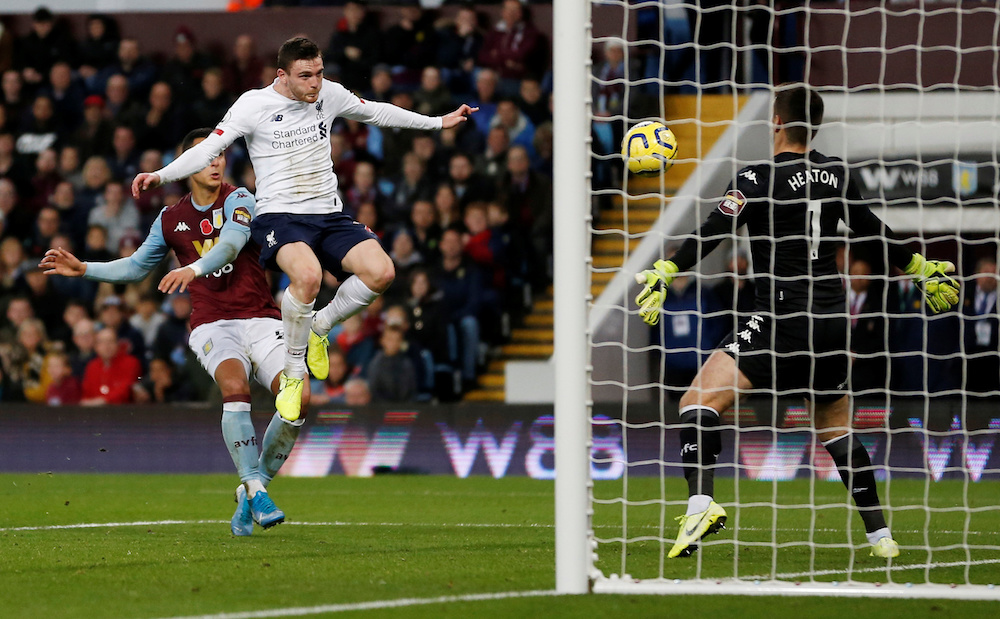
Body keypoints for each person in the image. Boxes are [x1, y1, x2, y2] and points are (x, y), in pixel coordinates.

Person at [633, 86, 960, 560]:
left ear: (778, 123)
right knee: (835, 427)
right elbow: (870, 229)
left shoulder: (755, 177)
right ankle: (880, 537)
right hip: (830, 320)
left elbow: (714, 229)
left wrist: (668, 267)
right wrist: (919, 267)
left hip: (781, 317)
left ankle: (701, 503)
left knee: (696, 402)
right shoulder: (836, 175)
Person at [131, 37, 476, 423]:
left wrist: (437, 121)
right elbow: (206, 149)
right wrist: (161, 175)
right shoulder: (253, 105)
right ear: (282, 75)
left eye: (320, 73)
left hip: (328, 215)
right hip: (279, 216)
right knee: (308, 276)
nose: (315, 83)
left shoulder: (328, 93)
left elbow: (376, 112)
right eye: (306, 76)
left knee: (383, 272)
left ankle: (320, 327)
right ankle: (294, 375)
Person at [43, 128, 304, 536]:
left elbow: (233, 244)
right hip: (212, 322)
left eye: (220, 155)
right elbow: (135, 267)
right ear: (186, 166)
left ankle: (251, 491)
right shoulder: (171, 218)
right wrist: (85, 268)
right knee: (234, 387)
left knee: (296, 402)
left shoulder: (240, 199)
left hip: (261, 317)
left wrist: (191, 269)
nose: (216, 162)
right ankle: (256, 486)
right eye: (206, 156)